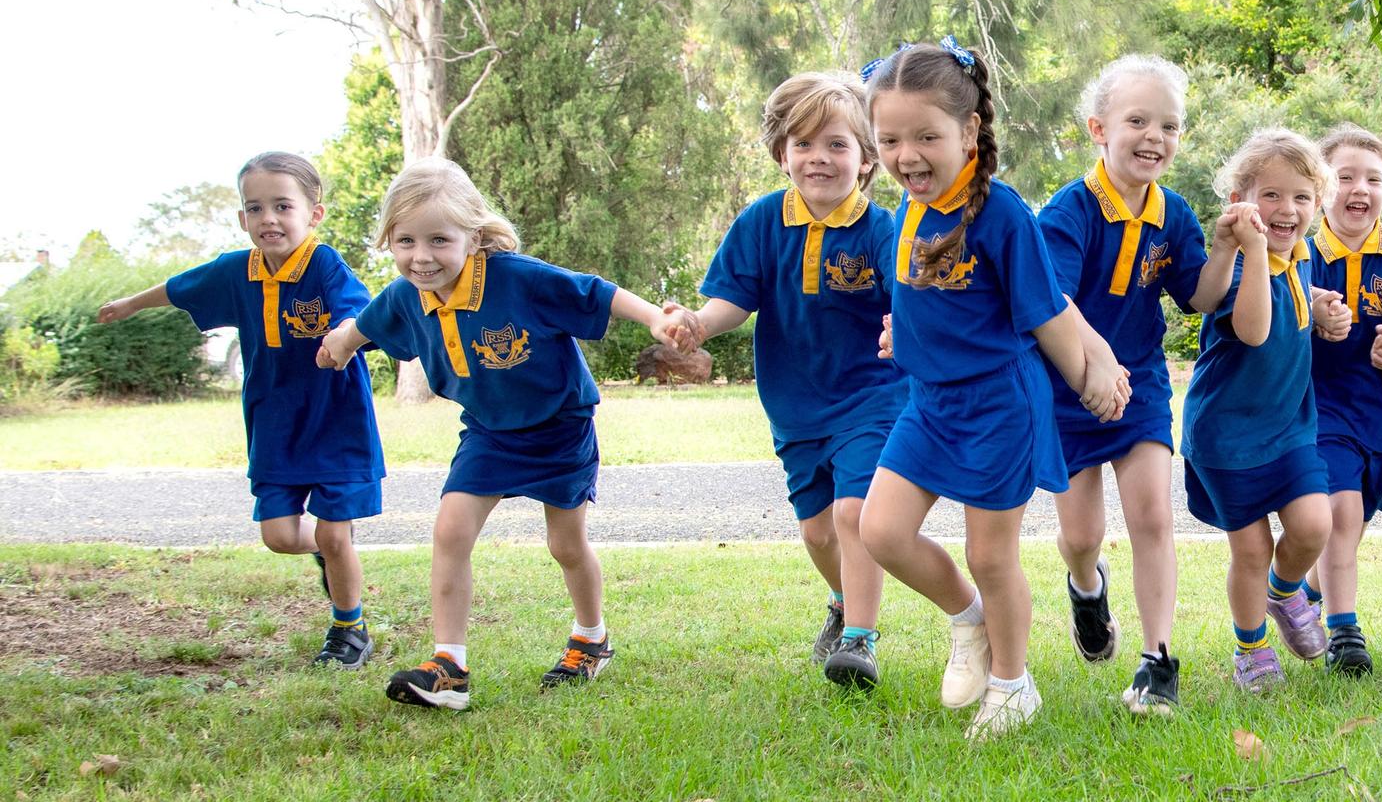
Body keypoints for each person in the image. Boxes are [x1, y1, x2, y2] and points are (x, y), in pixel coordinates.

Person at [316, 157, 701, 710]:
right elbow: (364, 325)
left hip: (559, 427)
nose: (420, 257)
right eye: (405, 241)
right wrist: (339, 346)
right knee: (450, 530)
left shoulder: (518, 278)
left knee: (565, 545)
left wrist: (654, 320)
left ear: (472, 236)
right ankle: (449, 665)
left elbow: (596, 294)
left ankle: (591, 639)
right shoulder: (406, 295)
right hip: (489, 432)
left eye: (438, 240)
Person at [857, 37, 1128, 739]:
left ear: (969, 130)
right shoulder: (908, 209)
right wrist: (903, 336)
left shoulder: (1001, 214)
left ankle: (1013, 683)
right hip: (929, 404)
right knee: (880, 529)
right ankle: (968, 618)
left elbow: (1048, 315)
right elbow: (929, 302)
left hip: (997, 406)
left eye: (926, 136)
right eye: (888, 138)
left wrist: (1091, 378)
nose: (906, 154)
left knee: (990, 552)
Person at [98, 151, 383, 670]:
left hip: (336, 422)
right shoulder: (238, 271)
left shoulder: (324, 264)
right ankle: (326, 550)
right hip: (274, 426)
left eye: (282, 205)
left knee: (335, 532)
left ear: (313, 214)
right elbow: (182, 285)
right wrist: (130, 304)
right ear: (241, 218)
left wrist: (341, 338)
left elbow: (357, 312)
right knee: (279, 537)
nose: (268, 218)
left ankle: (349, 627)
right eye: (255, 208)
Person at [688, 71, 905, 688]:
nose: (820, 157)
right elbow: (734, 299)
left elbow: (908, 306)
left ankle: (861, 639)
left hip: (872, 395)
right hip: (794, 403)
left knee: (854, 511)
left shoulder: (882, 229)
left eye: (838, 144)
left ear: (866, 159)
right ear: (782, 154)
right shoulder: (761, 222)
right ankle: (841, 603)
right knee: (816, 528)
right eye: (804, 144)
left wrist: (904, 333)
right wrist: (698, 326)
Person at [1035, 54, 1232, 713]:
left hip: (1141, 380)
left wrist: (1230, 247)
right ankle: (1086, 585)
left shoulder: (1173, 215)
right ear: (1099, 128)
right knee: (1082, 534)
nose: (1155, 136)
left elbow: (1200, 296)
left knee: (1151, 513)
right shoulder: (1070, 211)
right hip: (1070, 387)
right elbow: (1052, 304)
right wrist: (1092, 371)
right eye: (1138, 120)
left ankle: (1158, 659)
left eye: (1169, 125)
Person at [1181, 128, 1351, 693]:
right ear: (1240, 200)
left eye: (1302, 197)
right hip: (1227, 435)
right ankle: (1250, 647)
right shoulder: (1233, 265)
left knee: (1313, 524)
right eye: (1271, 195)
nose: (1287, 209)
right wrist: (1250, 250)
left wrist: (1323, 307)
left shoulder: (1299, 258)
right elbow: (1254, 331)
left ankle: (1284, 591)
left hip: (1290, 427)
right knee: (1250, 548)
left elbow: (1293, 309)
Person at [1302, 123, 1382, 676]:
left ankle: (1293, 589)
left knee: (1351, 524)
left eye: (1373, 179)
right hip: (1319, 404)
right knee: (1339, 512)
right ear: (1321, 185)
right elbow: (1277, 281)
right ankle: (1344, 633)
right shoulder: (1304, 244)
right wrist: (1314, 305)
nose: (1360, 189)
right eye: (1345, 176)